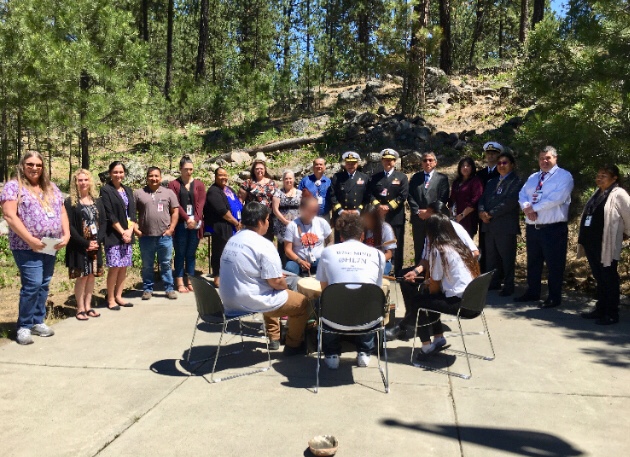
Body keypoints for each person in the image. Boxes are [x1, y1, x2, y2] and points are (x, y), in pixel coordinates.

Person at [219, 202, 309, 354]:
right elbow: (276, 283)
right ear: (260, 222)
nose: (269, 223)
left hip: (228, 299)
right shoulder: (264, 245)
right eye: (268, 220)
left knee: (268, 286)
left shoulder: (233, 240)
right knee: (302, 303)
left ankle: (274, 337)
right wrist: (283, 285)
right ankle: (293, 345)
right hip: (248, 300)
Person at [0, 151, 70, 345]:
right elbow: (9, 216)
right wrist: (31, 240)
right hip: (25, 245)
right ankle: (23, 326)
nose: (34, 168)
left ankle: (37, 321)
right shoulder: (13, 187)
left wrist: (67, 234)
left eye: (38, 165)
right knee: (32, 284)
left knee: (44, 283)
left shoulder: (50, 187)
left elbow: (62, 211)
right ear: (23, 165)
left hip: (49, 244)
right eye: (30, 164)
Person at [390, 214, 480, 359]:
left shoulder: (439, 250)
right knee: (430, 299)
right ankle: (438, 338)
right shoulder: (458, 246)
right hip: (472, 301)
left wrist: (427, 286)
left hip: (460, 304)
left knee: (419, 302)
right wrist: (425, 281)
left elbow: (435, 286)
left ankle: (426, 346)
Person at [316, 212, 386, 369]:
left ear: (341, 236)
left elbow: (324, 289)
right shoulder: (378, 255)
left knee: (323, 302)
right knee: (368, 300)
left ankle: (331, 353)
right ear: (362, 235)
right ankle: (365, 352)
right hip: (368, 320)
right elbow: (376, 289)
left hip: (334, 319)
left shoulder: (327, 252)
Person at [517, 146, 574, 308]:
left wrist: (534, 208)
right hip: (533, 227)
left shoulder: (564, 176)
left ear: (555, 158)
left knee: (554, 264)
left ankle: (554, 297)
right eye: (541, 158)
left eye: (548, 158)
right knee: (533, 262)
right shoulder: (534, 177)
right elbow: (522, 194)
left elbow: (558, 198)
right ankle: (533, 292)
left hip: (553, 228)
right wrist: (527, 207)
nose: (544, 161)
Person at [577, 165, 630, 325]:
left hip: (606, 244)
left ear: (614, 178)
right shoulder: (598, 193)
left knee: (609, 277)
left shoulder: (619, 194)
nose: (599, 178)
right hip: (592, 243)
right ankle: (601, 308)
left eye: (604, 175)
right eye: (598, 174)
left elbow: (628, 214)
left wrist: (626, 233)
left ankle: (611, 313)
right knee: (600, 277)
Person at [478, 152, 522, 297]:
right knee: (490, 257)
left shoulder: (516, 181)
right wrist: (482, 211)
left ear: (512, 165)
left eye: (505, 163)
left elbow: (509, 202)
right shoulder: (492, 182)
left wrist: (490, 214)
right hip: (489, 225)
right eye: (499, 163)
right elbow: (482, 199)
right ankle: (493, 282)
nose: (501, 166)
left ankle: (509, 286)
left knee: (507, 257)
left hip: (505, 226)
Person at [65, 169, 106, 320]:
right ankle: (80, 308)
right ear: (75, 182)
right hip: (79, 246)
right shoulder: (70, 202)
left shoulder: (97, 200)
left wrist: (97, 241)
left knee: (91, 276)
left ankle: (89, 306)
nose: (83, 183)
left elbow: (103, 223)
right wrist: (85, 243)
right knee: (82, 276)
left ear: (90, 182)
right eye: (80, 180)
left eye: (85, 180)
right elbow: (69, 226)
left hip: (95, 245)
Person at [134, 167, 179, 301]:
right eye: (151, 176)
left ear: (160, 177)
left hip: (164, 236)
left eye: (156, 176)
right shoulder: (138, 193)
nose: (154, 179)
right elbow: (130, 214)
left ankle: (169, 289)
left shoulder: (168, 193)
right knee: (147, 265)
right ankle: (147, 289)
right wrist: (135, 229)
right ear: (146, 177)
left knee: (166, 263)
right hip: (146, 237)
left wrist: (171, 229)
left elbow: (175, 212)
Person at [100, 161, 137, 310]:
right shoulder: (106, 190)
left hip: (128, 233)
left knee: (124, 267)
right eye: (115, 172)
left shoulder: (128, 190)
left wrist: (130, 230)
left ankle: (119, 296)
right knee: (115, 267)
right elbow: (109, 214)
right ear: (110, 173)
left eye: (121, 172)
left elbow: (133, 213)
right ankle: (110, 299)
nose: (118, 175)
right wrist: (122, 232)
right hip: (113, 235)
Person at [168, 156, 206, 293]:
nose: (189, 172)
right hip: (180, 224)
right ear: (180, 169)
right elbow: (175, 204)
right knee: (180, 252)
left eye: (191, 169)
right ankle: (179, 281)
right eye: (186, 169)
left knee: (191, 253)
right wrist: (186, 219)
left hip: (195, 224)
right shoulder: (173, 185)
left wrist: (195, 219)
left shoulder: (199, 184)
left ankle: (190, 280)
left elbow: (200, 204)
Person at [367, 148, 409, 274]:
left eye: (390, 160)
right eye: (385, 160)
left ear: (395, 161)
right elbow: (370, 194)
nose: (388, 162)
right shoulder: (375, 178)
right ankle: (382, 267)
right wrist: (378, 206)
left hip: (395, 215)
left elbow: (403, 195)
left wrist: (388, 207)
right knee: (379, 241)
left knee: (397, 243)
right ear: (382, 161)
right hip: (378, 215)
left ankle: (398, 271)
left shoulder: (401, 177)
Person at [408, 152, 450, 263]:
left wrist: (429, 212)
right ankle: (418, 275)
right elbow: (410, 196)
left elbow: (443, 198)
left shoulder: (442, 178)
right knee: (419, 247)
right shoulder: (415, 178)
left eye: (430, 160)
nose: (428, 162)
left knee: (435, 247)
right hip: (419, 218)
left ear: (435, 162)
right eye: (425, 160)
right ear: (421, 163)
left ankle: (434, 276)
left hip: (435, 218)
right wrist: (417, 211)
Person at [204, 168, 242, 287]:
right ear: (215, 177)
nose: (223, 177)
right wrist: (236, 222)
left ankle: (230, 276)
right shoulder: (213, 191)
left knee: (233, 253)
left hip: (234, 226)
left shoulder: (228, 189)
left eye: (225, 175)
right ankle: (217, 277)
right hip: (221, 227)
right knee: (220, 252)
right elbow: (222, 211)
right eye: (220, 175)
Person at [284, 196, 333, 276]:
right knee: (290, 268)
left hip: (318, 259)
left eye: (315, 210)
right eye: (309, 210)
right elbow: (287, 250)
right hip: (298, 261)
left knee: (329, 264)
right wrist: (300, 261)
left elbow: (330, 240)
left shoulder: (322, 222)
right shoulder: (292, 226)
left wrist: (327, 253)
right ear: (301, 209)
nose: (313, 213)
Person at [328, 151, 370, 243]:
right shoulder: (337, 177)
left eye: (353, 163)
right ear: (345, 164)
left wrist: (358, 210)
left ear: (357, 163)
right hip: (342, 216)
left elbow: (367, 197)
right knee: (340, 242)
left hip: (358, 215)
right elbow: (332, 195)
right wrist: (341, 211)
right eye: (348, 163)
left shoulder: (364, 178)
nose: (350, 165)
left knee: (358, 242)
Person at [477, 142, 503, 272]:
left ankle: (498, 274)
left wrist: (491, 212)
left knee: (499, 247)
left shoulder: (502, 173)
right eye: (489, 153)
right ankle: (485, 271)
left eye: (494, 153)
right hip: (482, 217)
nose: (491, 155)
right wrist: (481, 212)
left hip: (497, 216)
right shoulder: (480, 174)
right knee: (484, 245)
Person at [240, 159, 277, 241]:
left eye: (261, 168)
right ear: (253, 170)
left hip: (268, 219)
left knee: (267, 241)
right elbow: (240, 201)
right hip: (252, 219)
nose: (259, 170)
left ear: (265, 170)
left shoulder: (272, 183)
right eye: (257, 168)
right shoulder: (247, 183)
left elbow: (277, 200)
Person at [272, 170, 302, 266]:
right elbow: (275, 210)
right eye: (286, 179)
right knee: (283, 248)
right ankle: (283, 267)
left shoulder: (300, 193)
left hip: (297, 225)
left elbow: (303, 208)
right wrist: (285, 221)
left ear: (293, 180)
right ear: (283, 180)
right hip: (282, 226)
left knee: (297, 247)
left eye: (290, 178)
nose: (288, 181)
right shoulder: (278, 193)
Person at [449, 156, 483, 237]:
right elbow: (452, 198)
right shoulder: (456, 182)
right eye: (463, 166)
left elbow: (475, 200)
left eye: (468, 166)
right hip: (455, 218)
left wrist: (462, 215)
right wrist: (451, 213)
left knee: (465, 245)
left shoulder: (476, 181)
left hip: (468, 218)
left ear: (472, 168)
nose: (465, 168)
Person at [362, 204, 397, 276]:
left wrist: (375, 261)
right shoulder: (361, 228)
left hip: (382, 261)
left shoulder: (386, 228)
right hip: (364, 261)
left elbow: (389, 254)